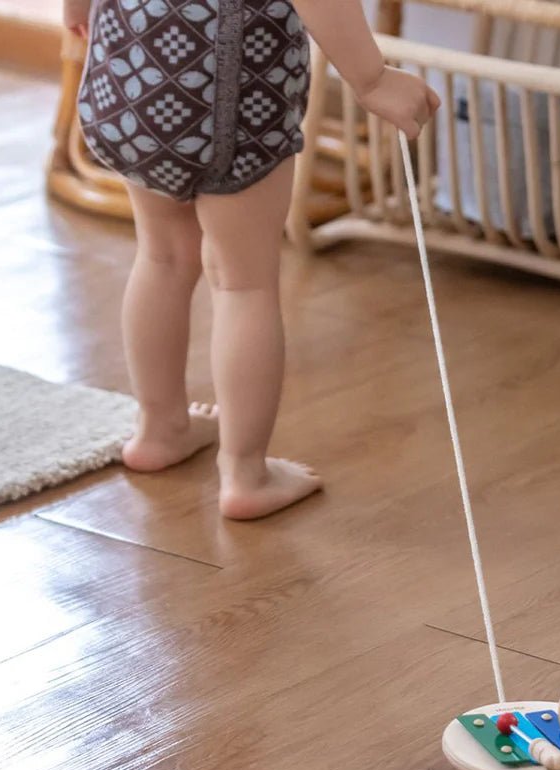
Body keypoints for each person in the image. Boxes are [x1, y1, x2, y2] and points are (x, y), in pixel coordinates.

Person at [64, 0, 440, 519]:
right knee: (244, 283)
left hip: (132, 78)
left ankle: (159, 428)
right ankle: (245, 474)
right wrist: (371, 80)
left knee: (162, 257)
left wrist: (74, 10)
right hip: (230, 101)